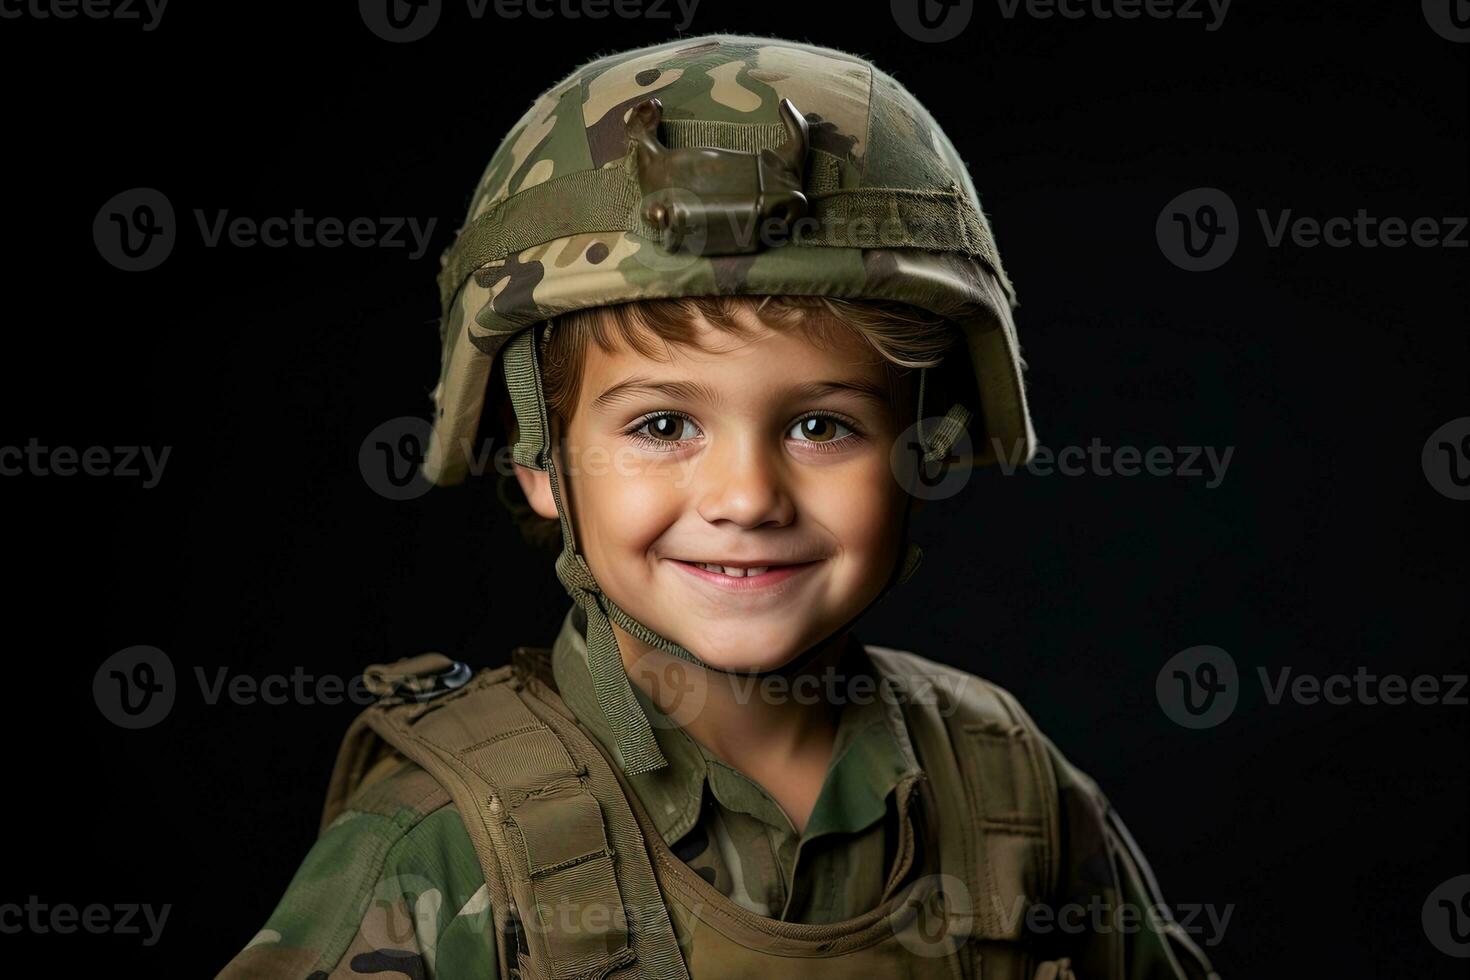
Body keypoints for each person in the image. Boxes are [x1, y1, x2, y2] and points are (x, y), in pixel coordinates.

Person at [218, 33, 1220, 979]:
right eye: (661, 426)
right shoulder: (438, 843)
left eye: (823, 427)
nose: (746, 497)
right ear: (533, 453)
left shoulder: (1006, 787)